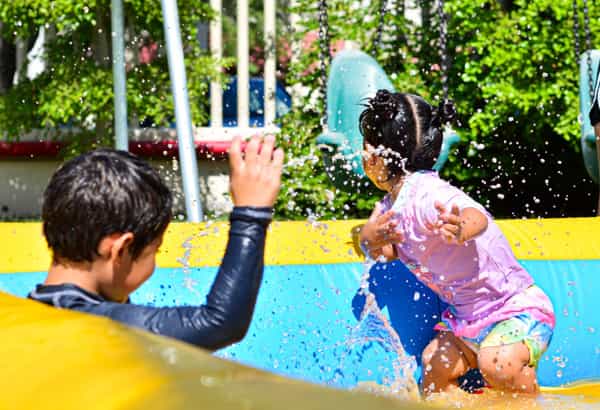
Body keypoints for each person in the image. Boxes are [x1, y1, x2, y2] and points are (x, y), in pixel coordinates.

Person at [357, 90, 555, 396]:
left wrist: (462, 227)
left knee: (498, 364)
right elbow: (385, 252)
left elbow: (477, 215)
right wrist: (368, 238)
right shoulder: (387, 207)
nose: (362, 156)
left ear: (381, 155)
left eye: (366, 147)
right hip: (467, 321)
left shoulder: (427, 193)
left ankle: (529, 404)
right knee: (434, 365)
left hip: (515, 310)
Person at [29, 135, 284, 351]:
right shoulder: (88, 323)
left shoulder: (35, 311)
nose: (154, 265)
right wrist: (252, 215)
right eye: (155, 251)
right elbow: (219, 323)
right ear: (121, 249)